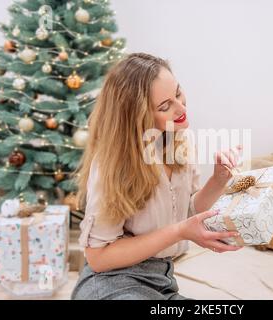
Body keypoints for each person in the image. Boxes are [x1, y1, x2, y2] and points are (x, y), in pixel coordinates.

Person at [71, 52, 243, 300]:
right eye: (165, 106)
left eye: (178, 93)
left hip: (161, 280)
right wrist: (179, 232)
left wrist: (218, 179)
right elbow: (98, 259)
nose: (181, 108)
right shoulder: (113, 164)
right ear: (138, 117)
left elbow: (185, 214)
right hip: (111, 283)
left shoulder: (179, 141)